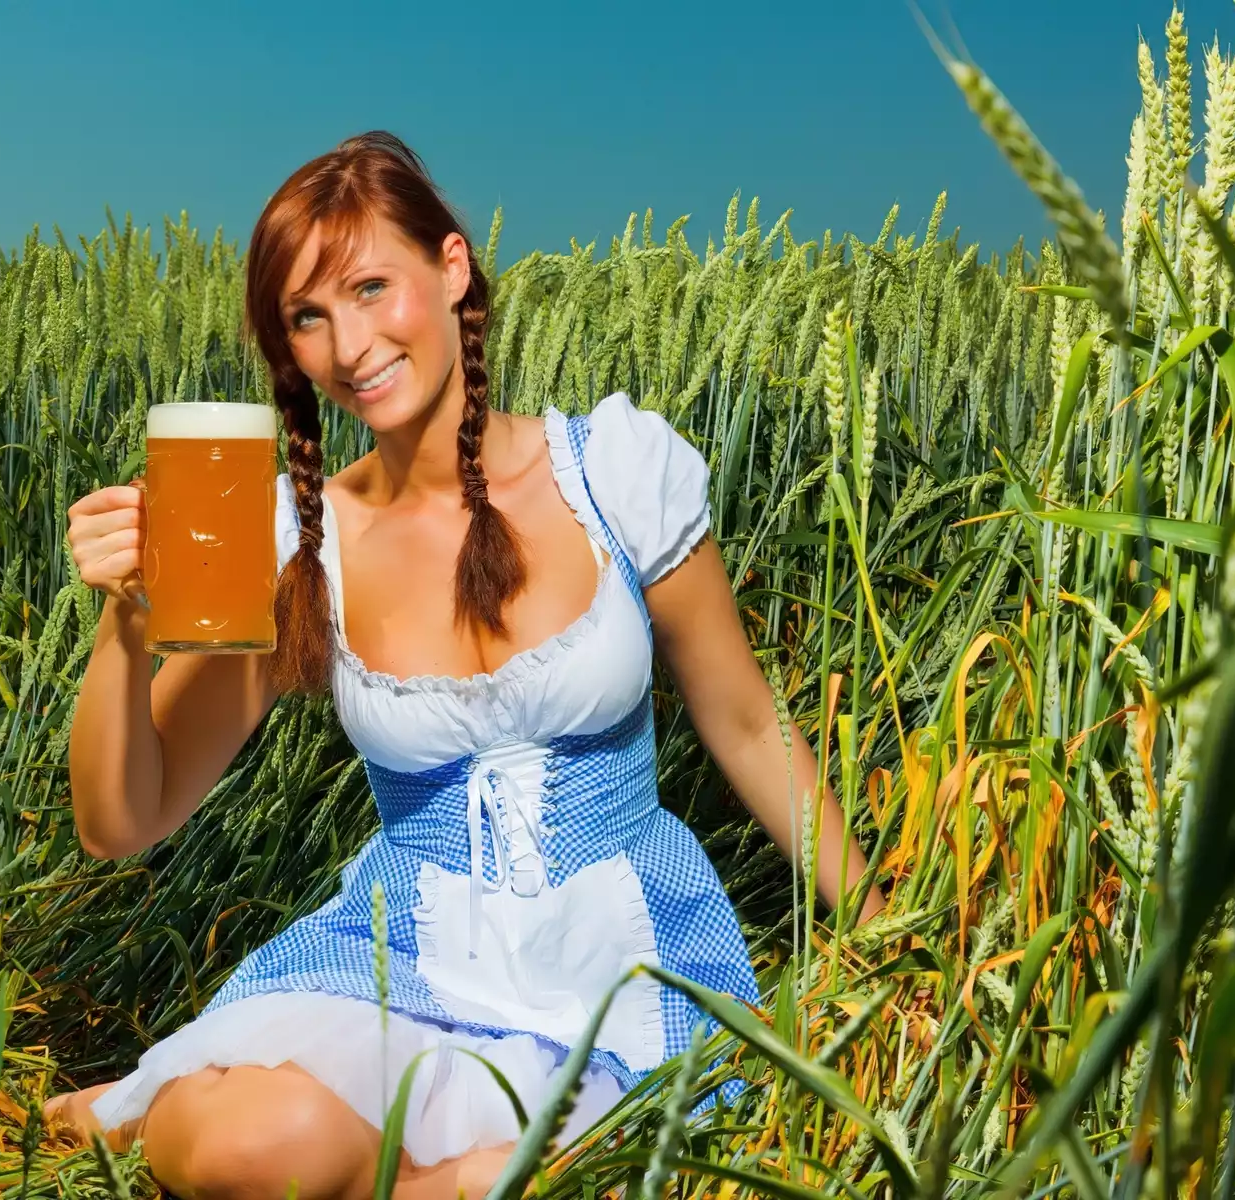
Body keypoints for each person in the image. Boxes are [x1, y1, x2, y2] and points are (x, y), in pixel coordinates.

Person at [44, 131, 884, 1200]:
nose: (350, 346)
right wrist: (124, 626)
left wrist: (882, 927)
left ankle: (214, 1127)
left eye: (370, 287)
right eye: (309, 317)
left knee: (567, 1172)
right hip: (405, 961)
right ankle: (178, 1110)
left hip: (620, 957)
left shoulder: (614, 475)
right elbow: (124, 819)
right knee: (257, 1148)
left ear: (451, 269)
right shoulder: (298, 542)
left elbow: (749, 726)